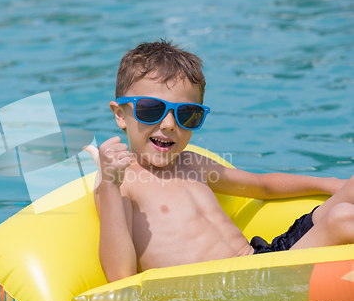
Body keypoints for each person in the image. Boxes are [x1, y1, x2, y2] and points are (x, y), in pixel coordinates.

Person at [83, 39, 354, 283]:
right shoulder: (121, 182)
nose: (168, 125)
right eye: (151, 110)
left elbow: (261, 186)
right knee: (341, 219)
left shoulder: (191, 163)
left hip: (264, 258)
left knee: (350, 191)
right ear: (120, 114)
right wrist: (109, 184)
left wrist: (331, 183)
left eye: (186, 114)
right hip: (236, 288)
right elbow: (120, 276)